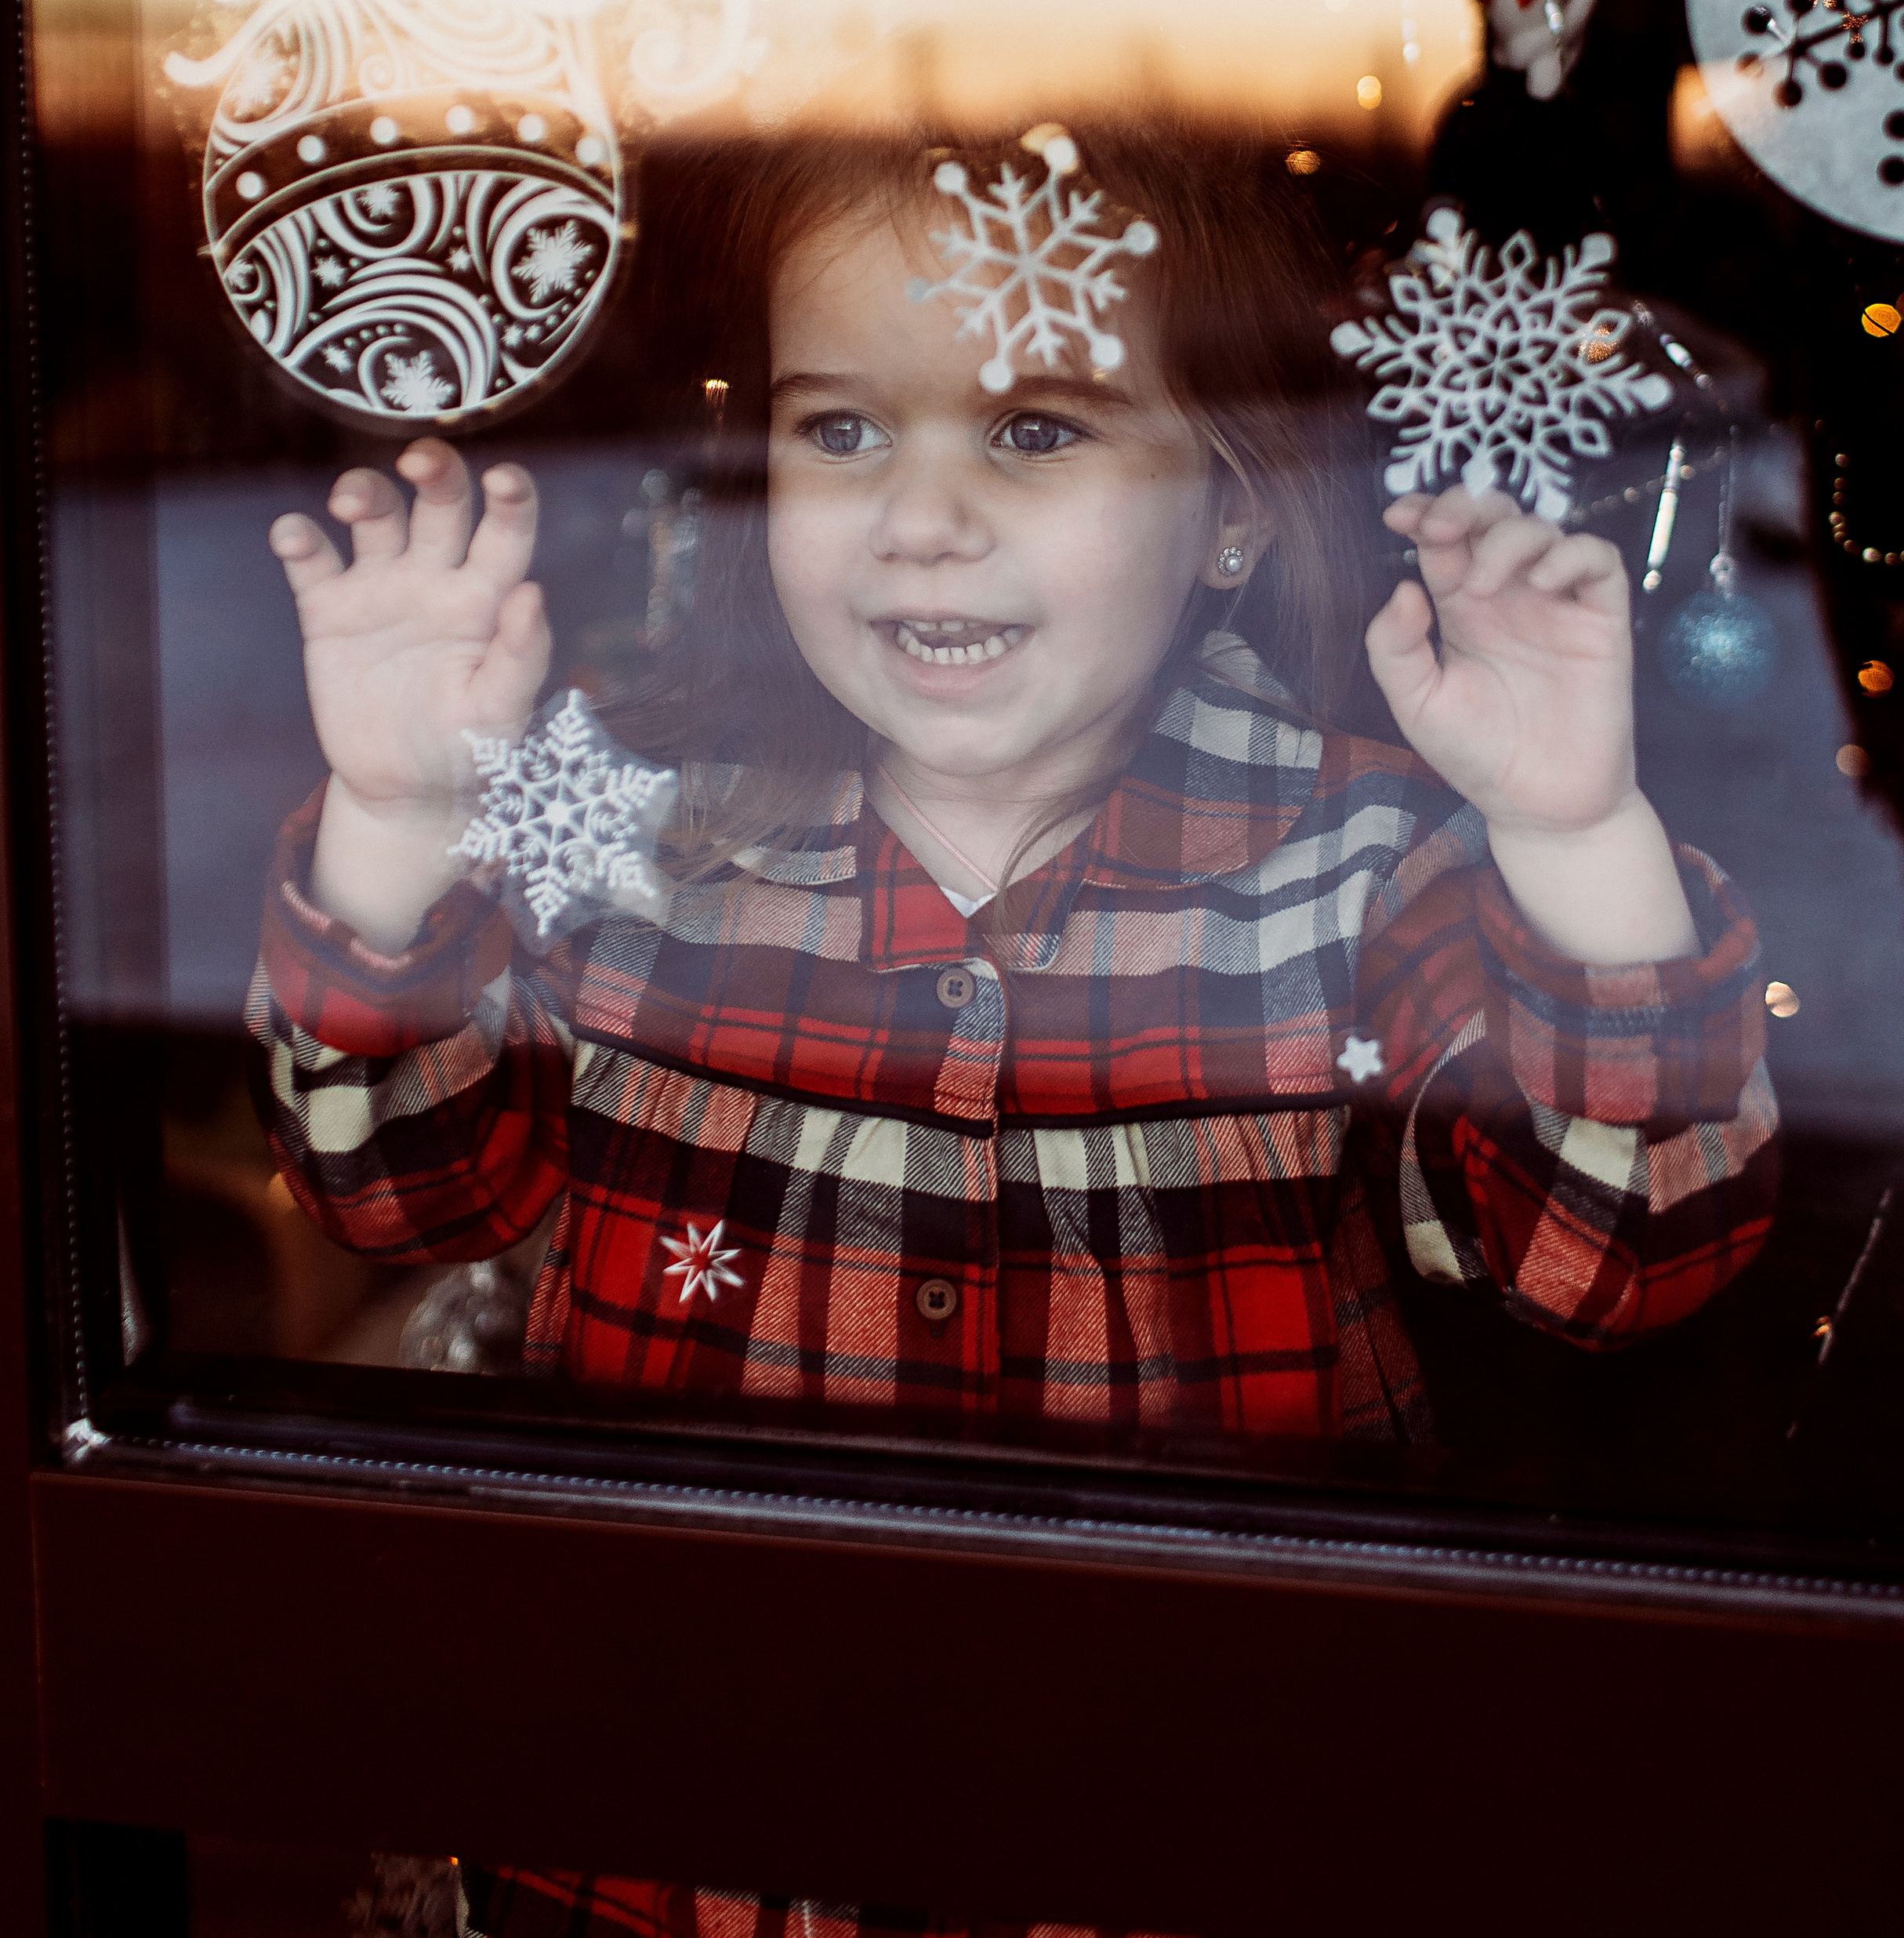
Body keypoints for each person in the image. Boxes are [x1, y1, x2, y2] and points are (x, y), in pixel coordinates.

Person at [248, 125, 1777, 1938]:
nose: (919, 518)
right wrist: (401, 813)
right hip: (660, 1869)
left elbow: (1613, 1257)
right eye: (841, 432)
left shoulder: (1356, 862)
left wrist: (1566, 834)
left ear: (1227, 505)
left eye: (1034, 429)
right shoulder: (647, 835)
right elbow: (397, 1192)